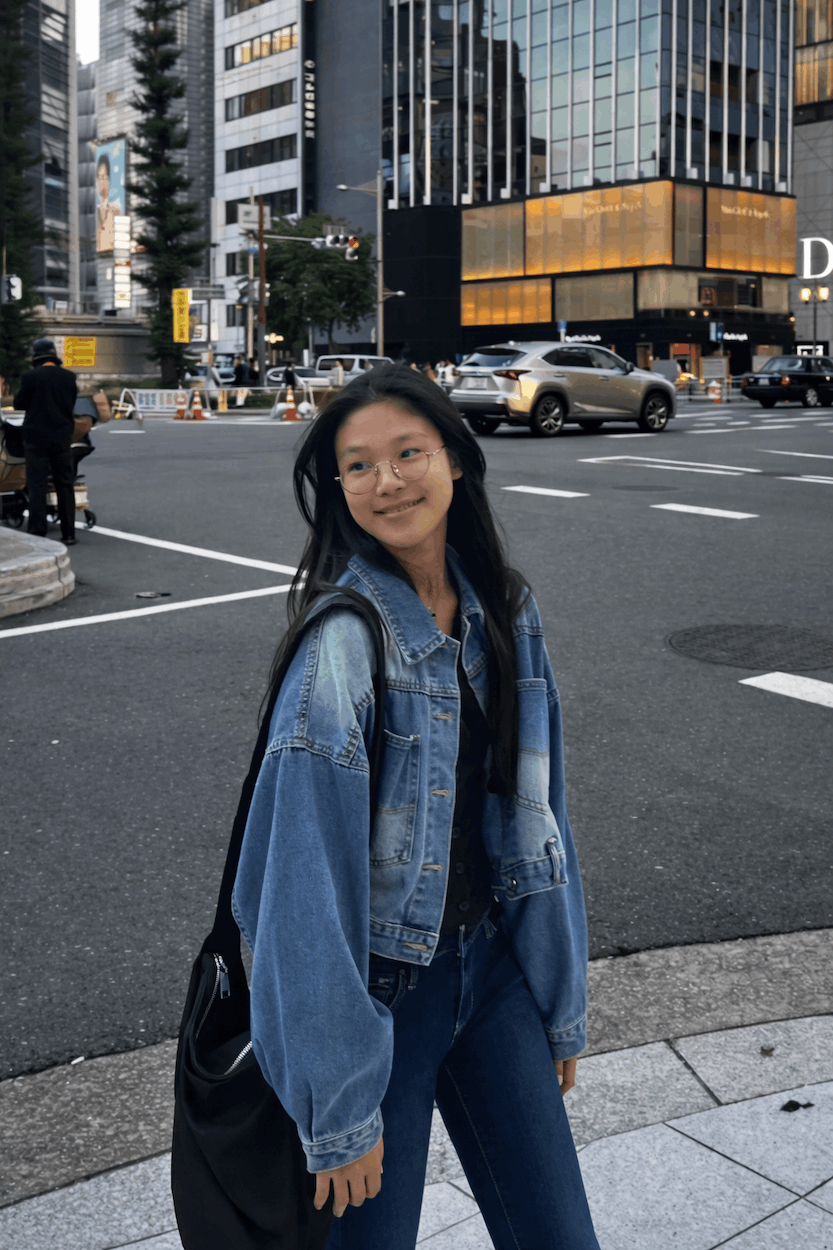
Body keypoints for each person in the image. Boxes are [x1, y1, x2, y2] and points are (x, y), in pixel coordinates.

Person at [233, 365, 600, 1249]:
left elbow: (536, 814)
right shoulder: (341, 651)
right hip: (377, 1000)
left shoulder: (504, 609)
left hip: (495, 974)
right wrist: (337, 1107)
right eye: (356, 467)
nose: (385, 482)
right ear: (336, 490)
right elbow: (296, 894)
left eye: (407, 453)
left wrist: (557, 995)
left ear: (456, 461)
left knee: (559, 1235)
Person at [14, 338, 78, 545]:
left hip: (36, 437)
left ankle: (38, 531)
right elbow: (71, 403)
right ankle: (69, 533)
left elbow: (19, 403)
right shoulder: (69, 377)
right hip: (62, 436)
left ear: (35, 356)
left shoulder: (31, 376)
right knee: (65, 483)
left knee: (37, 484)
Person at [95, 154, 122, 252]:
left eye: (105, 177)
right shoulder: (92, 213)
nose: (103, 183)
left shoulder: (116, 211)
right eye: (100, 178)